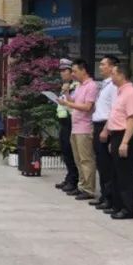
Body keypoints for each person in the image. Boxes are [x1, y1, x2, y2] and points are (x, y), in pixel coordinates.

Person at [102, 63, 133, 220]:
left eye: (113, 73)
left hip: (126, 135)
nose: (111, 76)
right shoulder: (120, 93)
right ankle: (118, 205)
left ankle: (128, 209)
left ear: (121, 75)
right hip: (117, 135)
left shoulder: (131, 93)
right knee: (116, 173)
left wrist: (125, 142)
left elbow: (132, 119)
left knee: (125, 174)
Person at [59, 59, 99, 202]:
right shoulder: (80, 86)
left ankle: (88, 188)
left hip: (85, 127)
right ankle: (81, 186)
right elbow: (73, 102)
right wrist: (67, 94)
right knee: (77, 159)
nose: (73, 74)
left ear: (84, 70)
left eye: (75, 71)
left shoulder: (91, 86)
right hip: (75, 127)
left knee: (86, 159)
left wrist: (68, 103)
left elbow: (87, 107)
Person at [92, 55, 120, 211]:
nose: (100, 67)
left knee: (107, 165)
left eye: (103, 64)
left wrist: (105, 129)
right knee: (101, 164)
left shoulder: (114, 86)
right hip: (98, 125)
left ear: (112, 67)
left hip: (106, 126)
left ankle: (110, 198)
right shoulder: (105, 84)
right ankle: (104, 195)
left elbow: (114, 110)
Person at [55, 59, 79, 194]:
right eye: (61, 71)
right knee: (65, 152)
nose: (62, 73)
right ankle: (69, 177)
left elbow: (74, 105)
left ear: (72, 72)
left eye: (65, 71)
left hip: (72, 122)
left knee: (71, 152)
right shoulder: (65, 86)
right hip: (63, 122)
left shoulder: (75, 86)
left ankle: (74, 180)